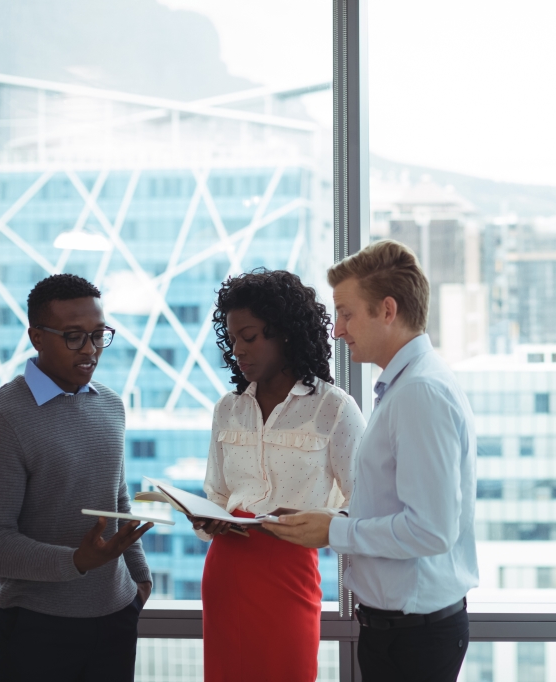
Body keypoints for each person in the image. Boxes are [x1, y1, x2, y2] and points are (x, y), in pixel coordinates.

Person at [262, 240, 479, 682]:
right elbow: (398, 505)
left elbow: (431, 530)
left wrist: (335, 530)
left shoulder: (420, 393)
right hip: (401, 632)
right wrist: (329, 518)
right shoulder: (408, 388)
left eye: (346, 312)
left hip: (413, 637)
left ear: (387, 310)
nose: (338, 330)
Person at [0, 274, 154, 682]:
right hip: (36, 627)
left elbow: (116, 498)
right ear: (36, 336)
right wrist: (76, 562)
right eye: (73, 337)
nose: (89, 350)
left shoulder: (111, 406)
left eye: (98, 335)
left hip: (117, 615)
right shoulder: (0, 421)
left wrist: (139, 577)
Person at [193, 269, 365, 682]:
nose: (238, 349)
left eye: (249, 337)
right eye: (232, 339)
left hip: (289, 571)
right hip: (226, 570)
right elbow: (216, 493)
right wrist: (206, 519)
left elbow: (364, 503)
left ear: (284, 333)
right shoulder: (227, 409)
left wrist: (324, 524)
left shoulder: (333, 408)